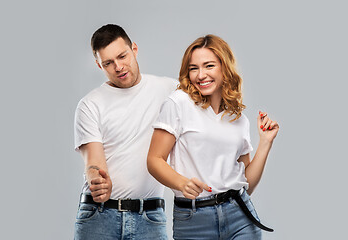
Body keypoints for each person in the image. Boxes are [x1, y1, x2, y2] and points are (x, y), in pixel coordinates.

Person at [147, 34, 279, 239]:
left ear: (224, 67)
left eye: (209, 66)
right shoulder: (178, 103)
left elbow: (247, 184)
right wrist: (181, 183)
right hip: (194, 220)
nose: (201, 75)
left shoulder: (238, 119)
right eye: (193, 68)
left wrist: (265, 142)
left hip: (240, 217)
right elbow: (154, 160)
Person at [73, 24, 177, 240]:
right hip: (99, 217)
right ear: (98, 65)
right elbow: (93, 161)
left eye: (122, 56)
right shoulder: (90, 104)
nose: (118, 67)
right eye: (108, 63)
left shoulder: (170, 90)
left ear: (134, 49)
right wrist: (97, 179)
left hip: (149, 217)